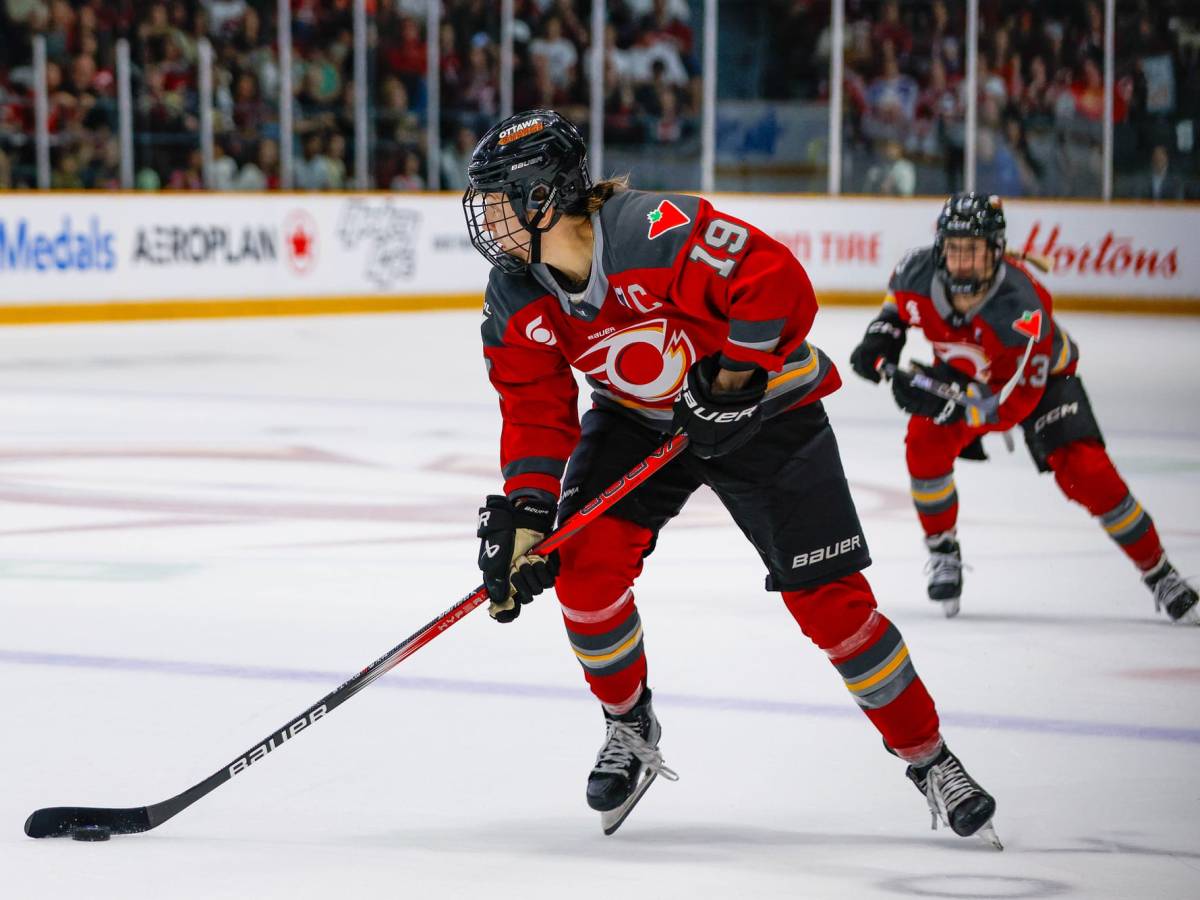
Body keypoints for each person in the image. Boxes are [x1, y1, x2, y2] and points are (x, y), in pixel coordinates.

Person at [463, 109, 1001, 845]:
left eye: (499, 198)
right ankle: (629, 725)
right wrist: (527, 515)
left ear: (544, 198)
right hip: (639, 422)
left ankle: (930, 758)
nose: (486, 218)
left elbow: (776, 282)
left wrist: (735, 377)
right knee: (584, 575)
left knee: (833, 609)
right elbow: (533, 407)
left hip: (768, 413)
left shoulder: (652, 231)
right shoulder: (517, 293)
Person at [849, 192, 1197, 623]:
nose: (961, 262)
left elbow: (1011, 406)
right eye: (953, 249)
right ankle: (943, 550)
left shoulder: (1023, 309)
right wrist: (882, 336)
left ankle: (1159, 572)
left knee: (1086, 472)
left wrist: (950, 407)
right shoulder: (914, 270)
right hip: (965, 374)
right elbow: (896, 309)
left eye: (972, 251)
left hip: (1041, 384)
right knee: (924, 441)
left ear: (995, 252)